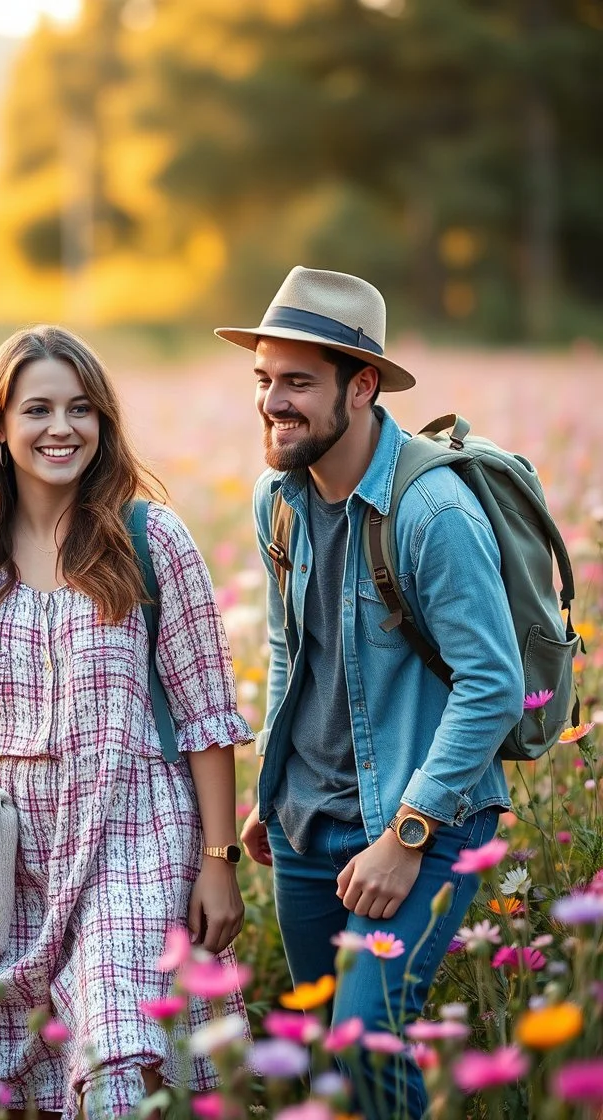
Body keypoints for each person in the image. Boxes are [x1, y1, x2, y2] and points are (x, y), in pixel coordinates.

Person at [0, 326, 252, 1119]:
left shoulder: (152, 541)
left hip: (135, 826)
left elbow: (205, 718)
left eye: (81, 409)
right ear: (0, 428)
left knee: (121, 1038)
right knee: (33, 1072)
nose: (62, 428)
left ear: (103, 423)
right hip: (9, 847)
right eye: (38, 408)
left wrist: (218, 860)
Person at [216, 268, 524, 1119]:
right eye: (265, 380)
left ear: (362, 386)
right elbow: (291, 647)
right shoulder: (276, 499)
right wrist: (271, 788)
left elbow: (493, 687)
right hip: (306, 824)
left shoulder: (433, 512)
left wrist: (407, 834)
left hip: (416, 822)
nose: (274, 402)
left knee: (364, 1039)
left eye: (298, 383)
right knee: (329, 1056)